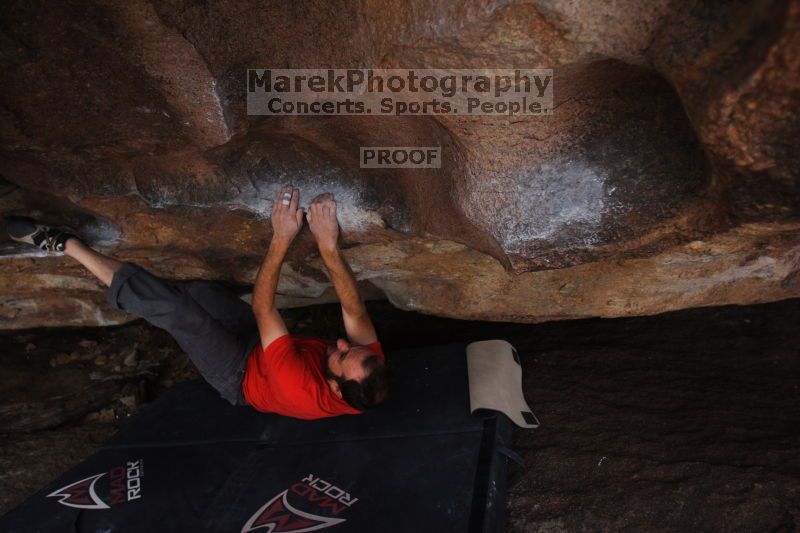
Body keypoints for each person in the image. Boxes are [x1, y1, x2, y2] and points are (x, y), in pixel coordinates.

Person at [4, 186, 389, 420]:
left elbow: (264, 310)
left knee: (181, 314)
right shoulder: (367, 365)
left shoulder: (299, 386)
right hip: (263, 345)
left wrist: (281, 237)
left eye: (339, 356)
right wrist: (327, 244)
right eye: (348, 346)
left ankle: (64, 244)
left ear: (336, 389)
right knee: (201, 295)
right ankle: (147, 290)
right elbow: (354, 310)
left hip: (240, 377)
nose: (339, 343)